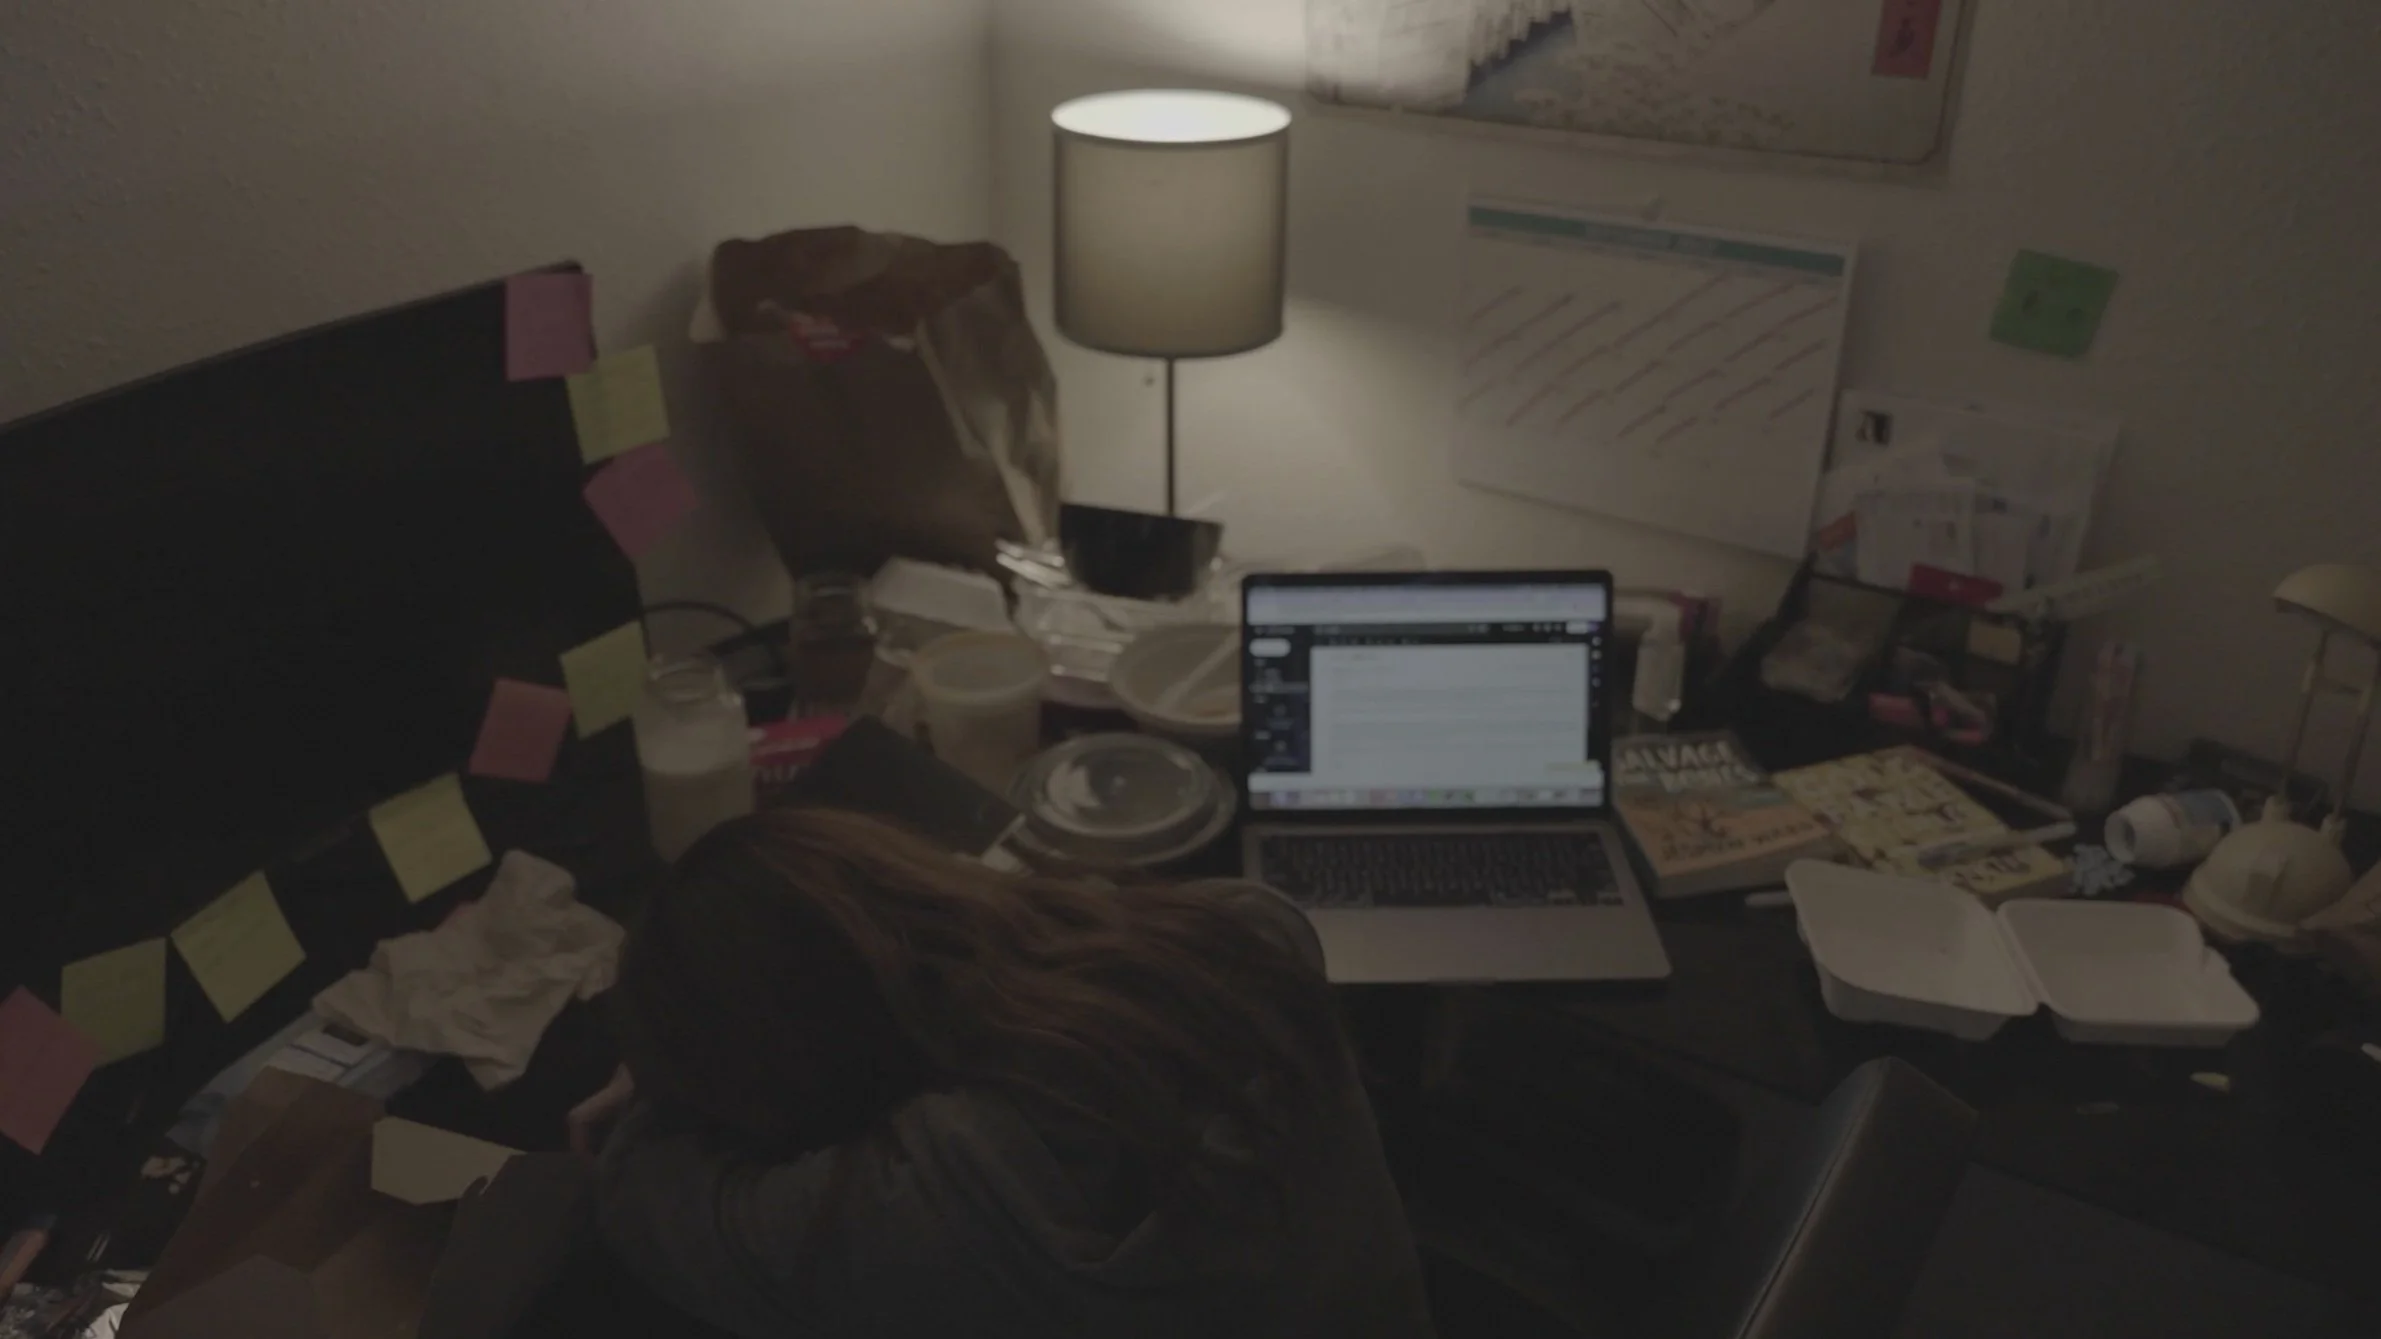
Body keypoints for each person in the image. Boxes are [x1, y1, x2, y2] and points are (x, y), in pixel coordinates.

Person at [571, 807, 1435, 1339]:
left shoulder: (906, 1210)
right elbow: (1074, 919)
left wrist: (657, 1069)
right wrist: (979, 909)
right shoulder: (1243, 937)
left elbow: (642, 1195)